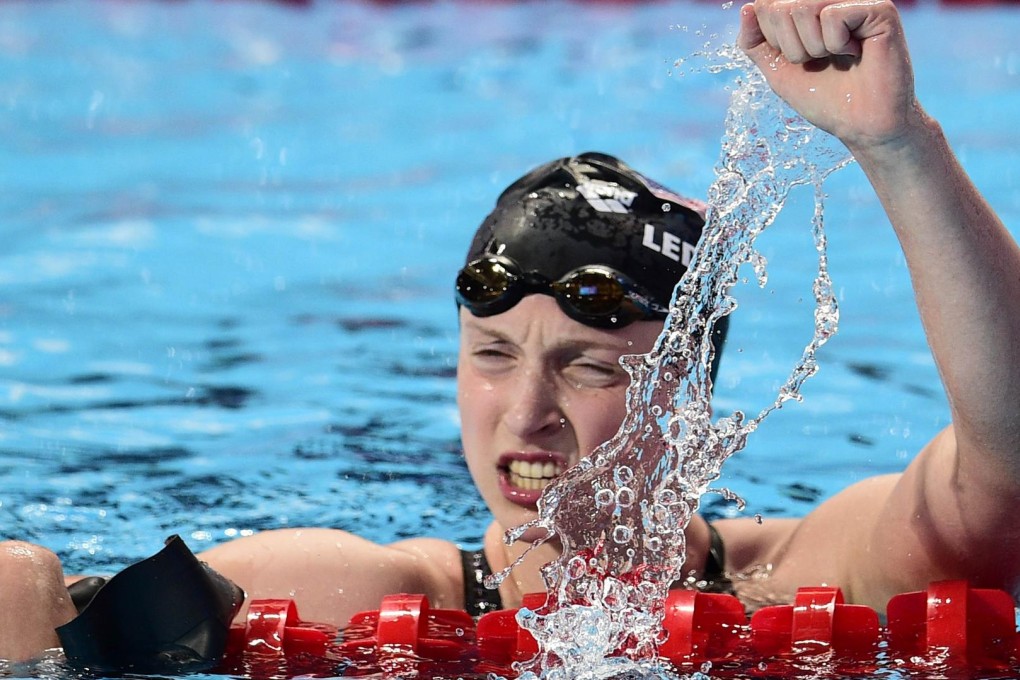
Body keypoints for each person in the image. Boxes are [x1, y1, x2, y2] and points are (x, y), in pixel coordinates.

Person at [2, 0, 1018, 665]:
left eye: (584, 364)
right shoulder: (354, 591)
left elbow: (1009, 458)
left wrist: (898, 144)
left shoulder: (807, 576)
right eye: (492, 353)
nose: (523, 415)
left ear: (692, 392)